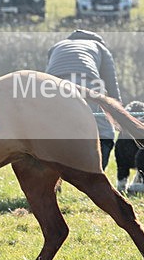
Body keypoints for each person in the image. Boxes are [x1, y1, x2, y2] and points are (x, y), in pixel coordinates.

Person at [45, 30, 122, 170]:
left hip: (52, 86)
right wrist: (118, 112)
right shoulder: (100, 48)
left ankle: (53, 178)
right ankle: (97, 174)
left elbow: (49, 71)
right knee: (105, 131)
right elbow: (111, 84)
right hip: (86, 83)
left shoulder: (57, 46)